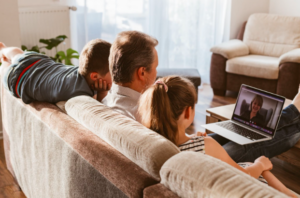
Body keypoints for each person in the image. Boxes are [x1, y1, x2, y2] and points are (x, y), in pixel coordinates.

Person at [103, 30, 300, 166]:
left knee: (232, 131)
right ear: (141, 73)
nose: (157, 75)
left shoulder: (109, 102)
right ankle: (295, 113)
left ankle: (294, 112)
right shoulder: (132, 114)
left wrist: (188, 137)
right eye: (155, 69)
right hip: (186, 164)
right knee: (247, 145)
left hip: (178, 148)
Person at [138, 76, 297, 198]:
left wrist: (191, 138)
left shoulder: (154, 141)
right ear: (188, 112)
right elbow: (244, 176)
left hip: (214, 174)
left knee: (254, 157)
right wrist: (260, 164)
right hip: (242, 184)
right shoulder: (207, 144)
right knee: (258, 162)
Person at [0, 39, 112, 104]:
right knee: (6, 67)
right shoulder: (80, 93)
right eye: (113, 73)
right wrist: (102, 92)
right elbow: (100, 110)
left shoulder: (81, 72)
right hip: (19, 80)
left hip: (38, 62)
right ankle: (5, 62)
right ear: (95, 76)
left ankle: (3, 50)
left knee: (18, 54)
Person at [102, 31, 158, 120]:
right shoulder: (146, 117)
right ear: (142, 73)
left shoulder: (104, 102)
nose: (156, 73)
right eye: (155, 67)